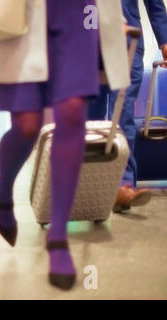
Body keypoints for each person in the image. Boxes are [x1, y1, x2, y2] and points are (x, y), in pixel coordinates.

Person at [0, 0, 130, 290]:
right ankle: (3, 190)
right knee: (27, 125)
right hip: (18, 9)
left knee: (72, 109)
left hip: (78, 11)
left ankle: (58, 236)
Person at [88, 0, 167, 213]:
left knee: (122, 113)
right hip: (87, 35)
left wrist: (164, 39)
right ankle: (90, 184)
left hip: (126, 39)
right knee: (90, 117)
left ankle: (123, 184)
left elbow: (154, 3)